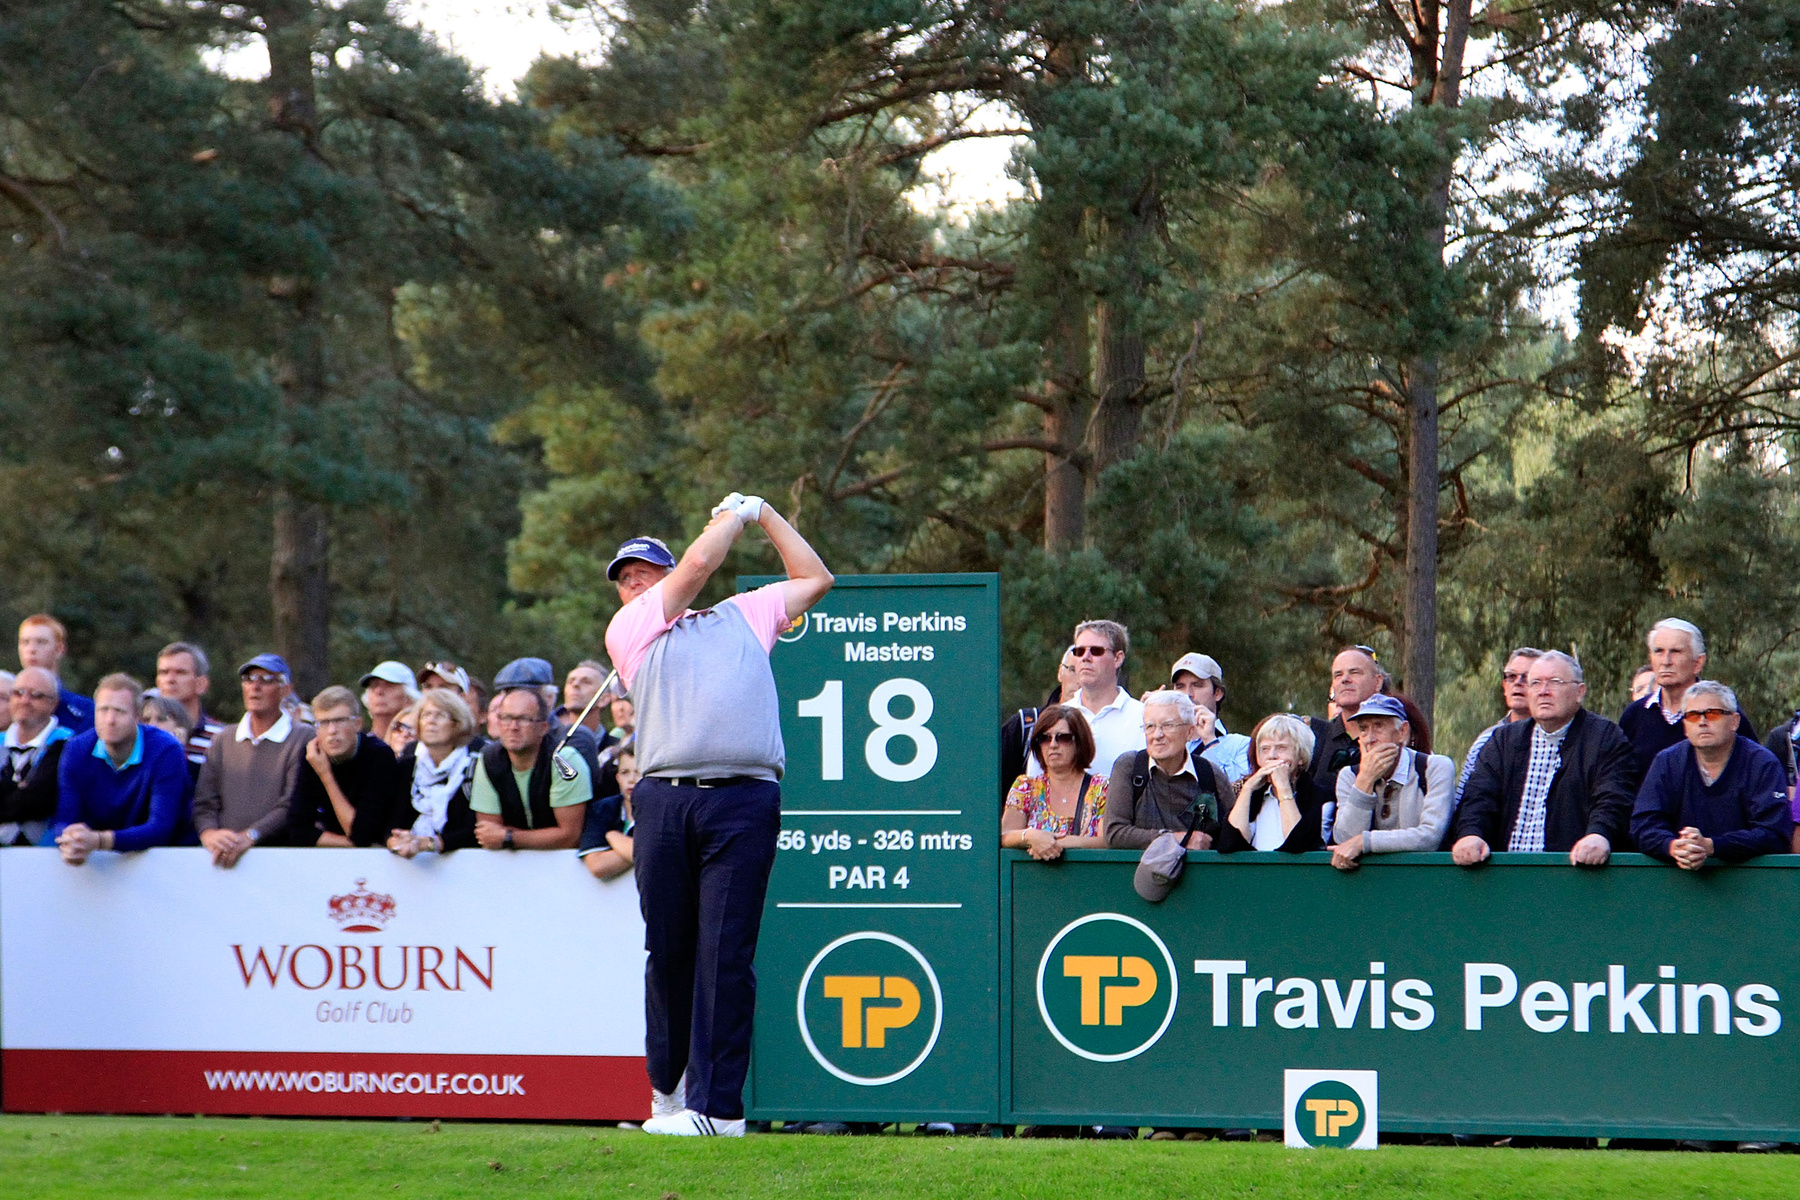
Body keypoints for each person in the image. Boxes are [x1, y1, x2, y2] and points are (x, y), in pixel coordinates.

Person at [603, 491, 833, 1138]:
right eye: (624, 579)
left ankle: (718, 1110)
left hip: (743, 798)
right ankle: (668, 1092)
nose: (633, 584)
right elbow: (701, 565)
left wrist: (763, 512)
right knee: (669, 951)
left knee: (725, 954)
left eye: (645, 572)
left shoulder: (745, 615)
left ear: (667, 573)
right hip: (665, 797)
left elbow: (816, 578)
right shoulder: (630, 630)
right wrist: (730, 516)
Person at [1452, 651, 1635, 866]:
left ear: (1580, 692)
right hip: (1503, 875)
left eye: (1554, 682)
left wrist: (1599, 834)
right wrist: (1471, 834)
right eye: (1536, 683)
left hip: (1574, 875)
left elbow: (1613, 798)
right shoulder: (1503, 741)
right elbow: (1478, 797)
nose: (1543, 691)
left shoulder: (1606, 738)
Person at [1631, 681, 1792, 866]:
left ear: (1735, 721)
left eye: (1713, 714)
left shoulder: (1763, 764)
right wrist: (1674, 847)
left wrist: (1712, 846)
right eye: (1692, 716)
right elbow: (1643, 825)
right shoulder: (1667, 762)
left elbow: (1774, 834)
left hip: (1750, 883)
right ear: (1684, 725)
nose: (1702, 722)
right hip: (1677, 881)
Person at [51, 674, 190, 863]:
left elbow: (160, 828)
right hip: (97, 860)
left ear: (138, 716)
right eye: (103, 710)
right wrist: (73, 838)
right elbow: (65, 818)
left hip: (166, 861)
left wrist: (100, 841)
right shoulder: (76, 749)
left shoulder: (166, 750)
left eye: (119, 711)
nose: (110, 719)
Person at [192, 654, 314, 867]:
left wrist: (251, 835)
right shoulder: (223, 739)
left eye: (266, 679)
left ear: (285, 689)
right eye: (249, 678)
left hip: (284, 861)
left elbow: (292, 802)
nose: (255, 686)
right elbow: (205, 801)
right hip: (223, 859)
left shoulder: (303, 737)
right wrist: (209, 833)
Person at [1620, 619, 1757, 784]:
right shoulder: (1634, 716)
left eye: (1676, 651)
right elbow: (1621, 779)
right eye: (1659, 651)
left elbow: (1753, 772)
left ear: (1698, 662)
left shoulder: (1723, 714)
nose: (1666, 661)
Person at [1329, 695, 1455, 869]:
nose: (1370, 738)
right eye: (1364, 729)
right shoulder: (1349, 776)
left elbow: (1430, 837)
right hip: (1368, 882)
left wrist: (1364, 842)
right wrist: (1365, 781)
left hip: (1426, 879)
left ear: (1402, 732)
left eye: (1378, 726)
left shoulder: (1434, 767)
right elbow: (1345, 841)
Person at [1102, 690, 1232, 853]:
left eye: (1168, 725)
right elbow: (1114, 834)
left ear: (1190, 732)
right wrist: (1179, 839)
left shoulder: (1209, 774)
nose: (1157, 735)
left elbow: (1235, 835)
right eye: (1150, 726)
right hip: (1139, 876)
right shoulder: (1130, 767)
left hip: (1200, 877)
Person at [470, 685, 589, 850]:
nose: (513, 727)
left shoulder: (565, 760)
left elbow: (570, 836)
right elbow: (488, 835)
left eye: (524, 719)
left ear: (543, 728)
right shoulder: (488, 759)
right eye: (506, 718)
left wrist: (509, 837)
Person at [288, 687, 405, 847]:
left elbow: (362, 832)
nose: (332, 731)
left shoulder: (379, 755)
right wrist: (350, 843)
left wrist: (326, 775)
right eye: (323, 723)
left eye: (340, 721)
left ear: (358, 724)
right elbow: (297, 830)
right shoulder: (312, 755)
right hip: (341, 854)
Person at [1031, 620, 1145, 781]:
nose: (1086, 657)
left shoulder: (1143, 718)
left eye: (1096, 651)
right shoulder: (1054, 720)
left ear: (1118, 659)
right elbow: (1034, 785)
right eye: (1079, 651)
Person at [1002, 704, 1110, 860]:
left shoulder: (1102, 788)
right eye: (1044, 738)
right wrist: (1030, 837)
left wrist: (1061, 843)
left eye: (1063, 738)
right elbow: (1005, 835)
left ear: (1080, 743)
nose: (1053, 744)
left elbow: (1107, 840)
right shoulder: (1025, 787)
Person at [388, 688, 481, 857]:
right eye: (426, 715)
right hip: (410, 869)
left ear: (457, 724)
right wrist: (395, 840)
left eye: (439, 715)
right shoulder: (406, 768)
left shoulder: (475, 767)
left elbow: (475, 830)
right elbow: (391, 823)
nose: (431, 721)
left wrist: (431, 843)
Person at [1218, 714, 1327, 853]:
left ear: (1301, 756)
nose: (1272, 755)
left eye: (1281, 748)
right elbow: (1229, 844)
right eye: (1265, 749)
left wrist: (1283, 789)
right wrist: (1247, 789)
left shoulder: (1319, 797)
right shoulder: (1252, 796)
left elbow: (1299, 844)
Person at [1454, 648, 1544, 804]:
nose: (1518, 683)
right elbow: (1463, 801)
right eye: (1511, 677)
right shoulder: (1486, 741)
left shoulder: (1559, 738)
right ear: (1504, 686)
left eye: (1527, 677)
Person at [0, 666, 74, 846]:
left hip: (48, 857)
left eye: (36, 695)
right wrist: (22, 790)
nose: (25, 701)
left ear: (54, 703)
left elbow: (39, 801)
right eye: (18, 693)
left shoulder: (69, 745)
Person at [998, 649, 1079, 805]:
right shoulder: (1025, 725)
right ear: (1060, 673)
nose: (1079, 680)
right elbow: (992, 787)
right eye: (1073, 670)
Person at [1306, 646, 1388, 794]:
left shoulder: (1394, 736)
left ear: (1377, 682)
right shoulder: (1314, 737)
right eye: (1338, 675)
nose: (1345, 679)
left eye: (1355, 672)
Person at [1169, 652, 1252, 784]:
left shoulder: (1241, 745)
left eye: (1197, 685)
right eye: (1180, 686)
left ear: (1217, 693)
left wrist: (1210, 741)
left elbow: (1238, 794)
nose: (1188, 694)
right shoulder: (1161, 739)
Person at [154, 641, 223, 770]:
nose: (170, 680)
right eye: (164, 672)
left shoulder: (220, 737)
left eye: (180, 672)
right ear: (158, 682)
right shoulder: (144, 733)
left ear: (201, 684)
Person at [17, 614, 91, 732]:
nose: (31, 649)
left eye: (41, 642)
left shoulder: (84, 710)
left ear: (59, 649)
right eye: (25, 642)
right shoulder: (7, 703)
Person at [580, 747, 641, 880]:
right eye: (625, 772)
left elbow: (658, 855)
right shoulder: (602, 809)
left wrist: (613, 837)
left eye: (639, 772)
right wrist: (644, 849)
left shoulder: (663, 812)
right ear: (617, 777)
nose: (631, 779)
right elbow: (598, 866)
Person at [139, 695, 200, 787]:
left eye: (161, 719)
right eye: (146, 720)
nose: (152, 725)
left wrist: (177, 751)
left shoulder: (195, 771)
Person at [359, 661, 420, 742]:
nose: (379, 691)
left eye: (389, 685)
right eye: (374, 685)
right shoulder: (358, 747)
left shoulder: (422, 748)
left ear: (409, 697)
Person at [562, 660, 618, 744]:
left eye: (586, 682)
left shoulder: (617, 750)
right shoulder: (547, 744)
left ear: (604, 699)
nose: (575, 684)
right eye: (571, 681)